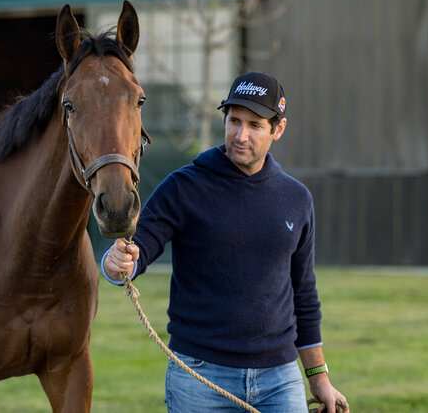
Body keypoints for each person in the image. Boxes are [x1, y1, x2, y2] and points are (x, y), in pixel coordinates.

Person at [102, 72, 349, 412]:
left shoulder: (297, 199)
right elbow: (138, 248)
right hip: (200, 378)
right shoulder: (183, 188)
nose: (240, 135)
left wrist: (318, 377)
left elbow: (303, 293)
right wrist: (117, 263)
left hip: (281, 380)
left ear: (278, 129)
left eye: (254, 125)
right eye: (234, 121)